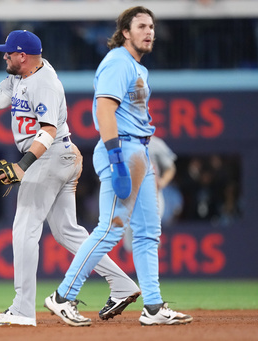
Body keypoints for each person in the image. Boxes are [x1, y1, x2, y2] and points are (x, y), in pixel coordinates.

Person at [0, 30, 141, 325]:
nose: (4, 56)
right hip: (59, 155)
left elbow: (48, 131)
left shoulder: (45, 83)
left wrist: (21, 167)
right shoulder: (21, 75)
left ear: (23, 56)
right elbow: (2, 100)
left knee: (24, 229)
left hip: (48, 154)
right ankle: (122, 284)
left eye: (8, 52)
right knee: (67, 231)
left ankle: (23, 308)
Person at [43, 6, 193, 326]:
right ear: (125, 32)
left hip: (141, 152)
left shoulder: (137, 67)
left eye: (151, 26)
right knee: (110, 230)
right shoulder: (117, 62)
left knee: (148, 233)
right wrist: (116, 160)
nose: (148, 31)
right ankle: (63, 295)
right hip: (122, 149)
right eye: (141, 26)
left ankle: (153, 307)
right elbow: (105, 111)